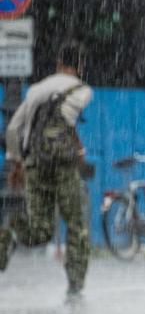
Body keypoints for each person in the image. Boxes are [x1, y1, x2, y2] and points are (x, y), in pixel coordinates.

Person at [0, 40, 95, 298]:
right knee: (76, 224)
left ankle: (11, 231)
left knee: (40, 229)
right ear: (80, 66)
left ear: (58, 64)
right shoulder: (82, 90)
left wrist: (16, 162)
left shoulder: (35, 90)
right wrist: (77, 150)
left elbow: (12, 129)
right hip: (63, 165)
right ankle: (75, 285)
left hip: (34, 165)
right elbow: (66, 120)